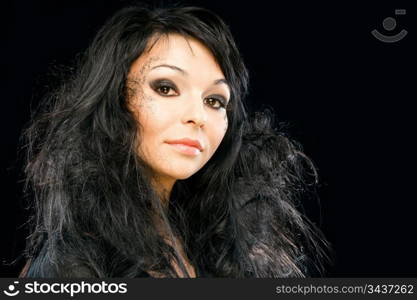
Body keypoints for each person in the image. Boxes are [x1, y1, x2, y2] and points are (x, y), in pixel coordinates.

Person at [19, 4, 330, 278]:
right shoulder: (72, 264)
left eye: (215, 101)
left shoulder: (225, 248)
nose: (198, 116)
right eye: (166, 88)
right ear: (114, 102)